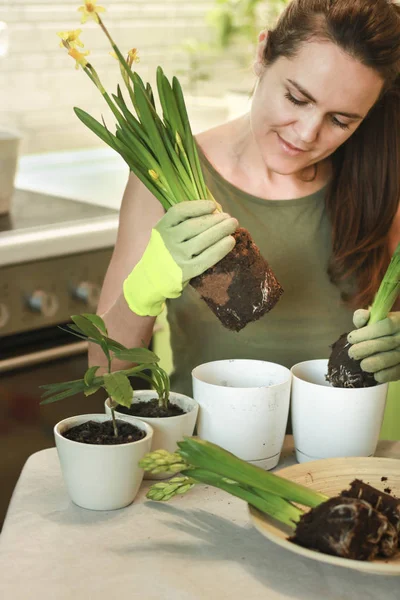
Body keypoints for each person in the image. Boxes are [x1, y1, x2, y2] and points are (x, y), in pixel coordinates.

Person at [90, 0, 400, 395]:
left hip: (342, 452)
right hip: (210, 444)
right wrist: (149, 281)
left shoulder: (382, 179)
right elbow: (103, 369)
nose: (307, 133)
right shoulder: (167, 175)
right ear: (263, 52)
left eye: (340, 120)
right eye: (297, 99)